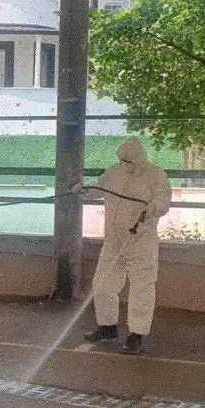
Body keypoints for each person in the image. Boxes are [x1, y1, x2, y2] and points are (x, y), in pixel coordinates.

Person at [77, 137, 172, 354]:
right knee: (102, 284)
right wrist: (83, 190)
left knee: (142, 287)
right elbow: (98, 188)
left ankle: (136, 334)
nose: (124, 165)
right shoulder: (114, 172)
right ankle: (107, 327)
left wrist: (152, 209)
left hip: (141, 241)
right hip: (114, 241)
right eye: (122, 161)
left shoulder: (156, 175)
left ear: (140, 159)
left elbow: (163, 202)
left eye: (128, 162)